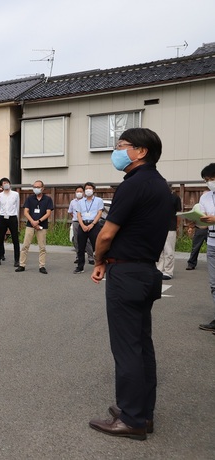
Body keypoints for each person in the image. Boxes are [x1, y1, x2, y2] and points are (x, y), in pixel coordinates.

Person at [88, 127, 172, 441]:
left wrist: (98, 260)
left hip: (126, 274)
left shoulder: (134, 185)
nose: (117, 150)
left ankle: (132, 419)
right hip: (147, 271)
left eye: (121, 145)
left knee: (126, 349)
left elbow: (106, 234)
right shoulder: (161, 186)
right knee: (141, 345)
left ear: (140, 151)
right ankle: (141, 412)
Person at [15, 180, 54, 274]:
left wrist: (38, 221)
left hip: (42, 225)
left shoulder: (48, 199)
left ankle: (42, 266)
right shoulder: (30, 198)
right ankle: (22, 265)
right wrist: (32, 222)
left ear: (42, 188)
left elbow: (48, 213)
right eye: (35, 187)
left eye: (38, 187)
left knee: (42, 247)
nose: (36, 188)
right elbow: (25, 212)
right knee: (25, 245)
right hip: (30, 225)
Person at [197, 163, 215, 333]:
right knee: (213, 284)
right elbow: (203, 224)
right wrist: (196, 220)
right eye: (207, 180)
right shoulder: (205, 197)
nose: (210, 182)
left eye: (212, 178)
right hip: (212, 244)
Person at [74, 182, 104, 274]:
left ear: (93, 190)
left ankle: (99, 266)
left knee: (97, 247)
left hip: (94, 225)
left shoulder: (98, 200)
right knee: (81, 247)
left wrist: (92, 224)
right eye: (86, 188)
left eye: (90, 188)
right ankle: (80, 266)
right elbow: (78, 214)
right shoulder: (80, 202)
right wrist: (82, 225)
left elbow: (99, 213)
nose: (88, 190)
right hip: (83, 224)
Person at [156, 185, 182, 280]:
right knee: (158, 250)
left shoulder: (175, 197)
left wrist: (177, 226)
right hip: (157, 227)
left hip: (170, 226)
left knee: (169, 250)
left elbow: (178, 213)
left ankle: (168, 271)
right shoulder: (157, 197)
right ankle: (159, 269)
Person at [0, 177, 20, 267]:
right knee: (0, 239)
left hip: (12, 217)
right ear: (1, 186)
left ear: (9, 184)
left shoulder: (15, 194)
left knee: (15, 239)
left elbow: (17, 207)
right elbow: (0, 207)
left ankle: (17, 260)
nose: (6, 184)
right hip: (2, 217)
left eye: (7, 182)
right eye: (3, 183)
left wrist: (16, 217)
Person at [69, 185, 94, 265]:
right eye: (77, 191)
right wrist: (76, 218)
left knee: (87, 241)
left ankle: (90, 257)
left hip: (85, 222)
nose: (79, 193)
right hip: (76, 222)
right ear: (75, 192)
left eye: (80, 191)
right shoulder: (73, 202)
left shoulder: (86, 201)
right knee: (76, 241)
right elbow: (71, 212)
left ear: (83, 193)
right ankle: (78, 257)